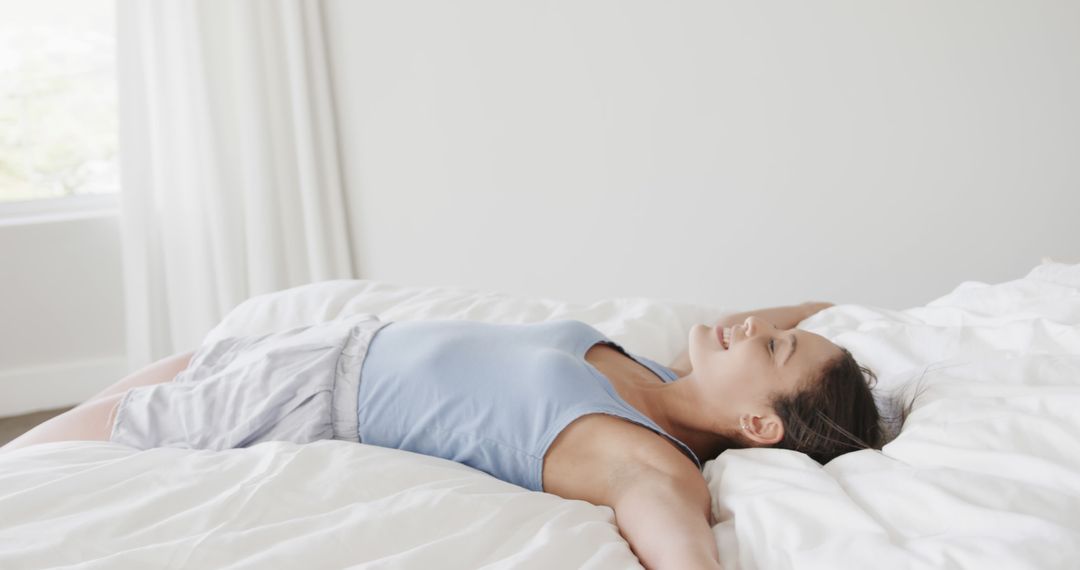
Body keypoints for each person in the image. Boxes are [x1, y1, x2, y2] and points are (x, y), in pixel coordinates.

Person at [0, 302, 883, 570]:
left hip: (298, 401)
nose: (750, 326)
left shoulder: (648, 461)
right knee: (81, 414)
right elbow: (786, 309)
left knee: (40, 460)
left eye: (771, 348)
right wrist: (835, 320)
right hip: (312, 346)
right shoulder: (656, 378)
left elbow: (682, 550)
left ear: (758, 425)